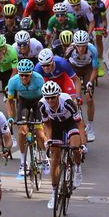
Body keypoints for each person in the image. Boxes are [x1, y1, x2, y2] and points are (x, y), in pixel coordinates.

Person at [39, 81, 85, 209]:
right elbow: (47, 124)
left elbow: (80, 124)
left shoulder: (67, 102)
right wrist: (49, 139)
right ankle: (54, 193)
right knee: (55, 159)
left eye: (53, 97)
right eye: (47, 98)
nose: (50, 100)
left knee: (75, 148)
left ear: (58, 95)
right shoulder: (42, 105)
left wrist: (83, 144)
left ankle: (77, 168)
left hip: (70, 123)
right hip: (55, 126)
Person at [7, 59, 46, 176]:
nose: (24, 78)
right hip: (23, 102)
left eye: (27, 75)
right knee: (22, 132)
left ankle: (44, 158)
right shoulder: (13, 81)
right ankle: (23, 163)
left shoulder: (39, 79)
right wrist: (10, 117)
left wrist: (46, 116)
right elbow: (10, 101)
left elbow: (46, 99)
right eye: (21, 75)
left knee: (40, 133)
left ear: (31, 74)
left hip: (38, 101)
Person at [64, 30, 98, 142]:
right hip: (73, 68)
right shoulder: (70, 50)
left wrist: (90, 83)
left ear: (87, 44)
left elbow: (95, 69)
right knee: (72, 97)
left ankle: (90, 127)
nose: (81, 49)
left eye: (83, 46)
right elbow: (64, 66)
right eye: (78, 46)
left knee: (89, 98)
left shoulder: (92, 50)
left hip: (87, 69)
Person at [86, 0, 107, 77]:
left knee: (99, 39)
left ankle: (100, 61)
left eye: (93, 3)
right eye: (89, 3)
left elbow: (104, 20)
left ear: (96, 1)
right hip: (87, 20)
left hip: (97, 20)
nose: (91, 6)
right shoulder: (83, 4)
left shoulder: (101, 5)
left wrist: (104, 29)